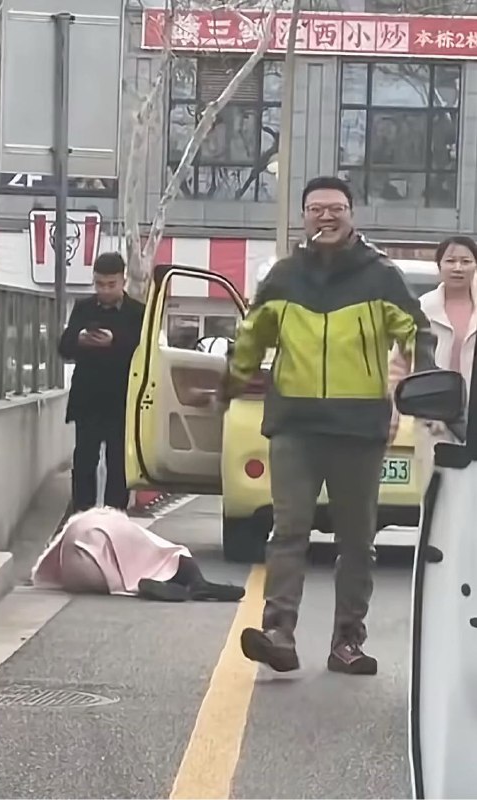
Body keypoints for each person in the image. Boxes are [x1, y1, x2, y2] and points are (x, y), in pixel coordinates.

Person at [220, 175, 436, 676]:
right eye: (316, 208)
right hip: (295, 425)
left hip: (358, 428)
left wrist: (421, 375)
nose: (326, 216)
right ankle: (279, 634)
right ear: (304, 217)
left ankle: (347, 641)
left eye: (335, 207)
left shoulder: (380, 275)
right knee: (288, 531)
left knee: (357, 541)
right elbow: (252, 336)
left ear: (351, 215)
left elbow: (415, 329)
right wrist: (229, 382)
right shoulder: (282, 277)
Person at [389, 235, 477, 493]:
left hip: (472, 419)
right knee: (435, 496)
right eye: (450, 261)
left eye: (466, 261)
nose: (458, 268)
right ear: (439, 265)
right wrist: (393, 416)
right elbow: (399, 367)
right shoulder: (422, 310)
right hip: (433, 420)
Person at [59, 252, 145, 512]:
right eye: (99, 284)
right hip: (88, 398)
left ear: (123, 281)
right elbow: (64, 347)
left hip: (121, 400)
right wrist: (80, 339)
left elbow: (143, 352)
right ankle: (82, 513)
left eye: (111, 284)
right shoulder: (83, 308)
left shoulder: (137, 312)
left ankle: (114, 515)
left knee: (118, 462)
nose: (105, 291)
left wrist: (114, 341)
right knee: (84, 460)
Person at [31, 506, 246, 602]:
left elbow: (51, 554)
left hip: (75, 572)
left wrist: (38, 575)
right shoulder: (120, 524)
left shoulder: (78, 523)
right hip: (98, 559)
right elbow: (150, 549)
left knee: (139, 563)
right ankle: (197, 583)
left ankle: (174, 584)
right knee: (174, 554)